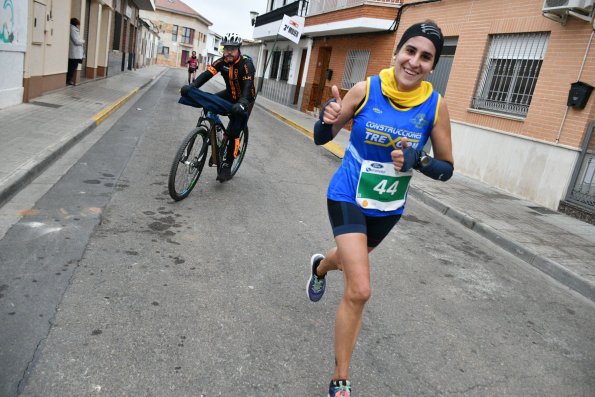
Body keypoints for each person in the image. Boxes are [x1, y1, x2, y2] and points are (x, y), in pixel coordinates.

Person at [306, 21, 454, 396]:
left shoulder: (434, 106)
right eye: (410, 51)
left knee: (347, 260)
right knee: (360, 289)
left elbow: (446, 168)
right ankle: (340, 377)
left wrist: (419, 161)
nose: (415, 61)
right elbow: (322, 137)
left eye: (426, 57)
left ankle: (321, 266)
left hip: (388, 208)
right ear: (397, 52)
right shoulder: (366, 88)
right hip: (347, 196)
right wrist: (327, 115)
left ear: (433, 65)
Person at [188, 32, 256, 182]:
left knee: (234, 130)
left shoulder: (246, 64)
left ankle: (227, 164)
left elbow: (247, 87)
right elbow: (206, 74)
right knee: (209, 102)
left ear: (238, 49)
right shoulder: (221, 62)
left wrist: (243, 103)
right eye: (226, 48)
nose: (229, 52)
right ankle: (214, 129)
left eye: (232, 49)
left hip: (246, 99)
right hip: (230, 94)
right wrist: (192, 86)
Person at [67, 18, 85, 86]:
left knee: (73, 66)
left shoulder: (74, 29)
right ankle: (68, 80)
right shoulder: (73, 29)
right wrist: (83, 41)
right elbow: (76, 41)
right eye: (78, 24)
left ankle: (69, 79)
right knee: (72, 67)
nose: (79, 26)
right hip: (74, 53)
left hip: (76, 53)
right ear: (76, 24)